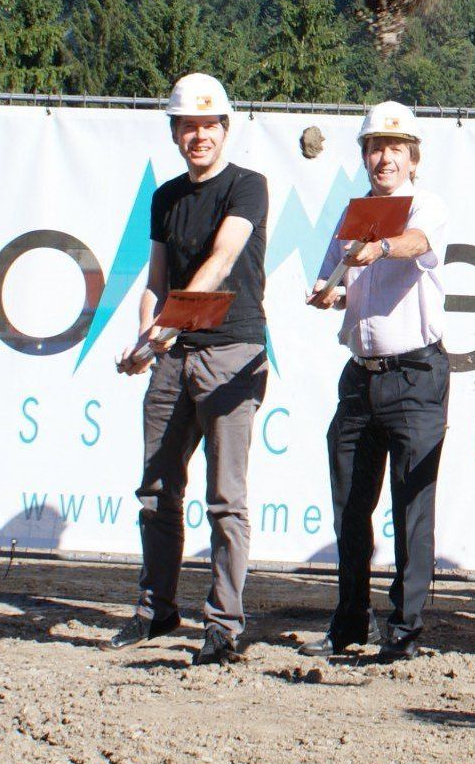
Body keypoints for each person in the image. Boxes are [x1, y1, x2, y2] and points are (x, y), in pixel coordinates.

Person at [110, 73, 268, 666]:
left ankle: (224, 624)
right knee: (156, 491)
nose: (198, 135)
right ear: (175, 133)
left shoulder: (248, 187)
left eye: (208, 125)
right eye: (187, 126)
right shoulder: (165, 197)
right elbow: (156, 280)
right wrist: (147, 339)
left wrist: (167, 326)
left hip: (231, 355)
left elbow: (223, 259)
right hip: (173, 359)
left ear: (224, 129)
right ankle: (156, 610)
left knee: (226, 499)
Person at [301, 102, 450, 662]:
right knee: (349, 506)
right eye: (373, 147)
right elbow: (333, 281)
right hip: (360, 378)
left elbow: (417, 245)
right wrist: (328, 293)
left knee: (412, 505)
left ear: (413, 157)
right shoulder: (352, 211)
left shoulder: (426, 204)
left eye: (394, 147)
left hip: (415, 374)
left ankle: (405, 631)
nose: (383, 157)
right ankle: (348, 625)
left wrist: (380, 246)